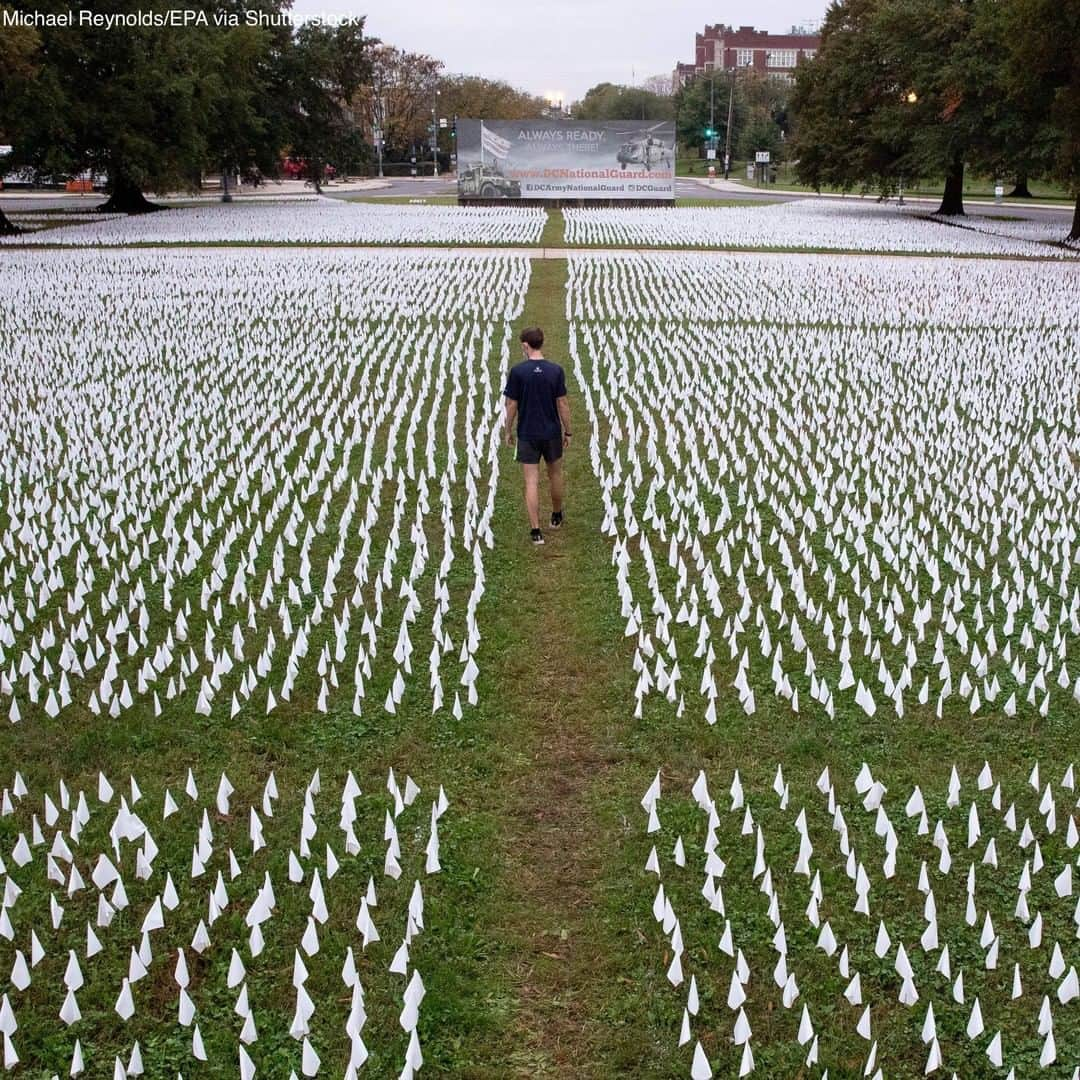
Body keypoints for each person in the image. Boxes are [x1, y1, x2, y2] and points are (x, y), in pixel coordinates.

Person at [503, 326, 571, 545]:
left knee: (531, 481)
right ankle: (557, 516)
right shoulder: (555, 370)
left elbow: (512, 404)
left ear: (525, 345)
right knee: (555, 474)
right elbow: (562, 402)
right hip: (551, 432)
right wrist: (567, 430)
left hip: (527, 432)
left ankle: (536, 532)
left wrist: (507, 429)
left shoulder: (518, 372)